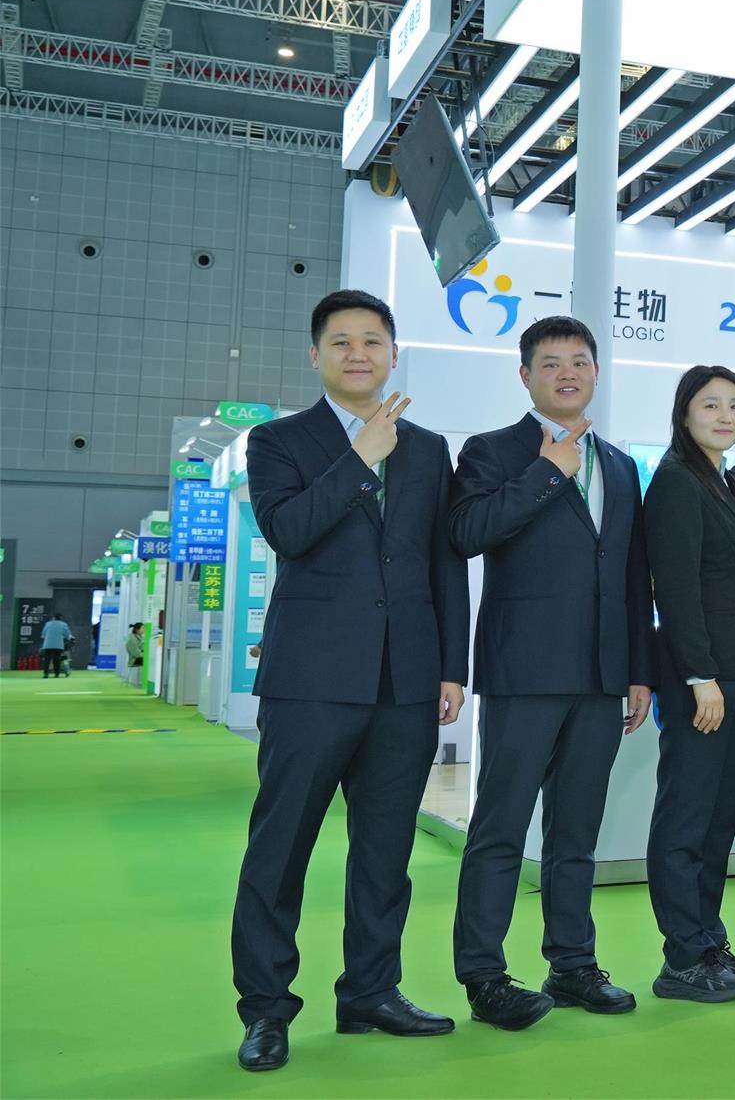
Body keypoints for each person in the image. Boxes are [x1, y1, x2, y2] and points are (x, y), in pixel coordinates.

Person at [230, 289, 470, 1072]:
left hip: (406, 681)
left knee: (385, 853)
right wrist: (360, 456)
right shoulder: (278, 441)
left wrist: (451, 666)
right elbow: (289, 531)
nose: (358, 353)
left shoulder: (428, 448)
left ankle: (371, 990)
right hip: (311, 678)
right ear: (316, 355)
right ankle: (266, 1009)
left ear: (394, 354)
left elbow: (443, 562)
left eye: (373, 340)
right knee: (280, 849)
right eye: (341, 341)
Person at [446, 317, 653, 1029]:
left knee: (577, 833)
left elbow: (632, 575)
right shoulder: (493, 450)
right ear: (525, 375)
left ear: (596, 371)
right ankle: (483, 975)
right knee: (501, 828)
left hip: (602, 676)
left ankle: (572, 964)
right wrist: (547, 472)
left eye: (580, 361)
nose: (568, 372)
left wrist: (638, 668)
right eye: (551, 362)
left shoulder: (620, 465)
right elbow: (466, 533)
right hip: (524, 670)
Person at [643, 363, 735, 1001]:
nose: (726, 416)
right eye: (711, 405)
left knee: (718, 815)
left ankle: (706, 939)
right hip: (702, 677)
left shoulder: (720, 480)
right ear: (683, 413)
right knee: (688, 816)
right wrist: (700, 675)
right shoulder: (677, 482)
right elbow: (674, 588)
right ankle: (682, 958)